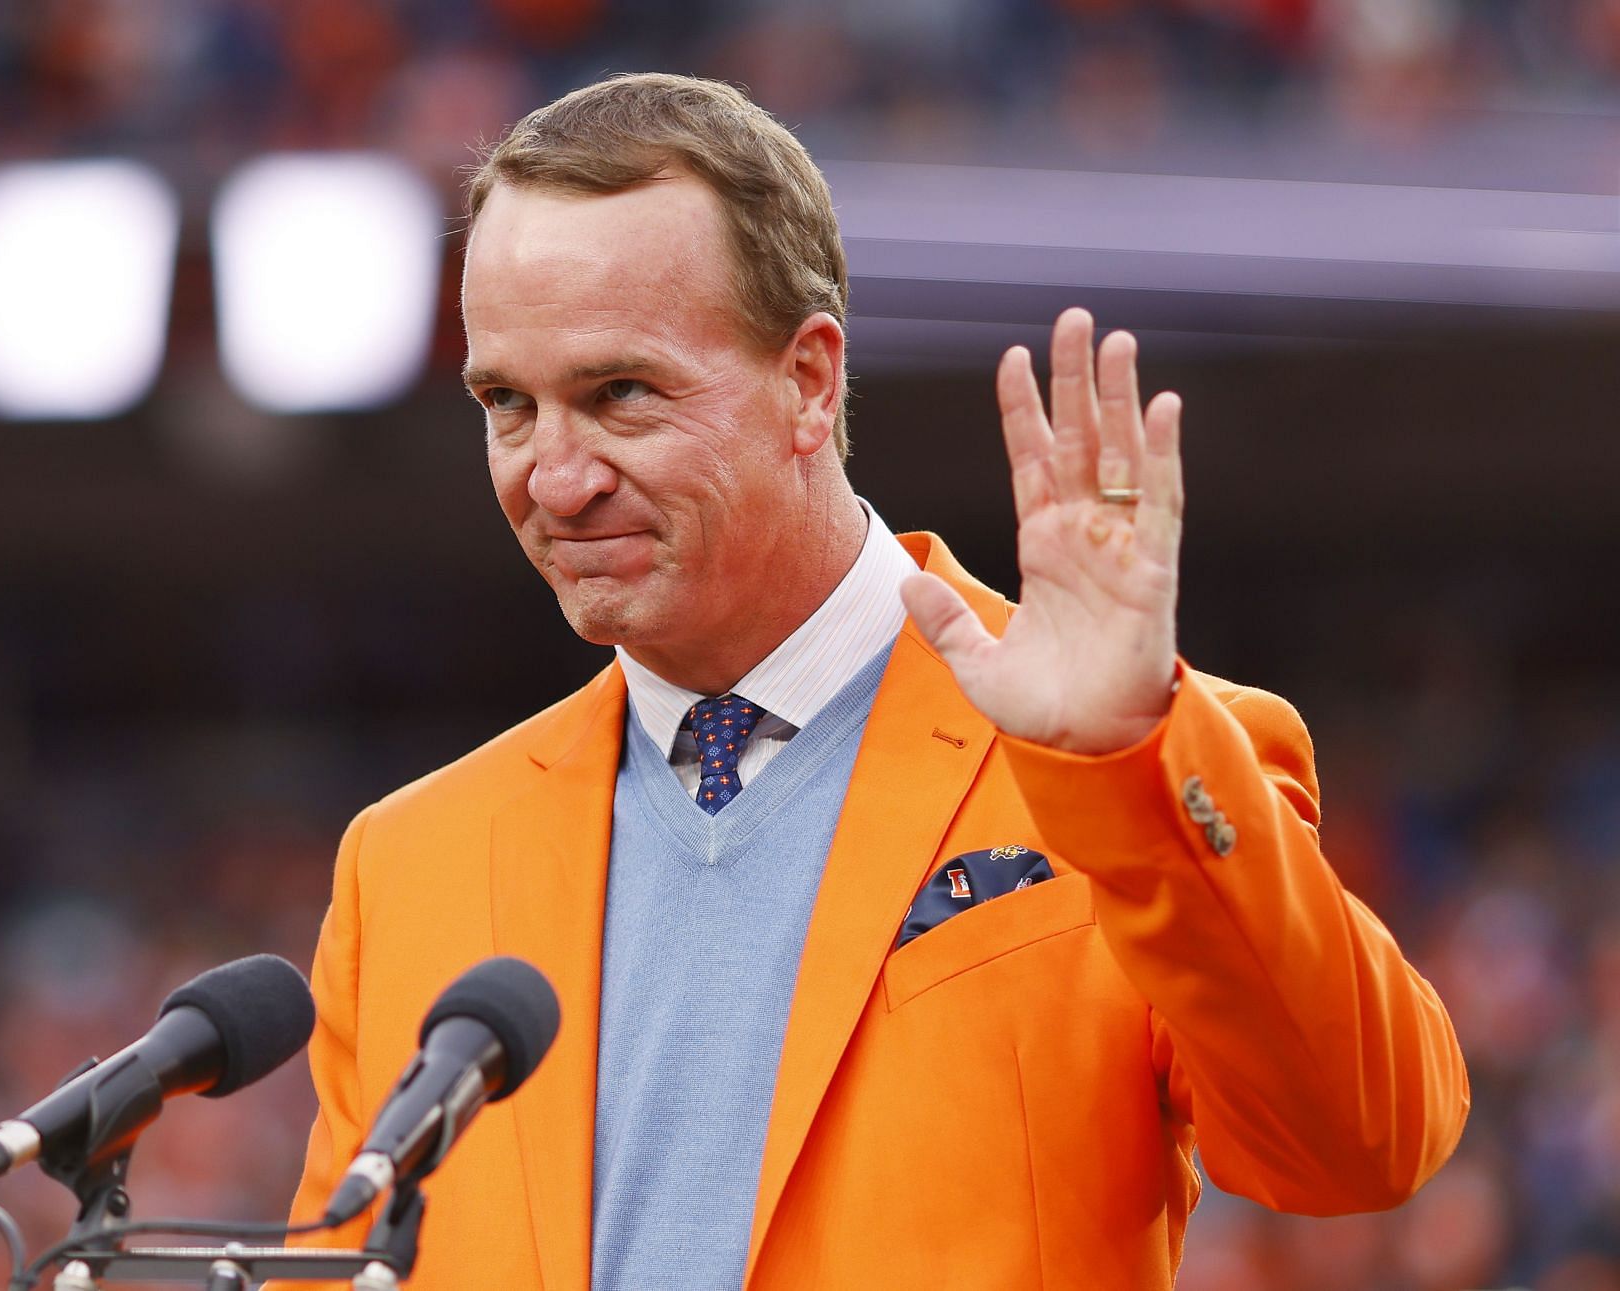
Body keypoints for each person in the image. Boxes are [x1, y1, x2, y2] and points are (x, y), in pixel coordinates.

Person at [286, 72, 1468, 1290]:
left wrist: (1130, 765)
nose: (556, 476)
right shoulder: (407, 863)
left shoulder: (1129, 756)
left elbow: (1360, 1147)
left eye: (619, 394)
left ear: (807, 381)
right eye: (507, 405)